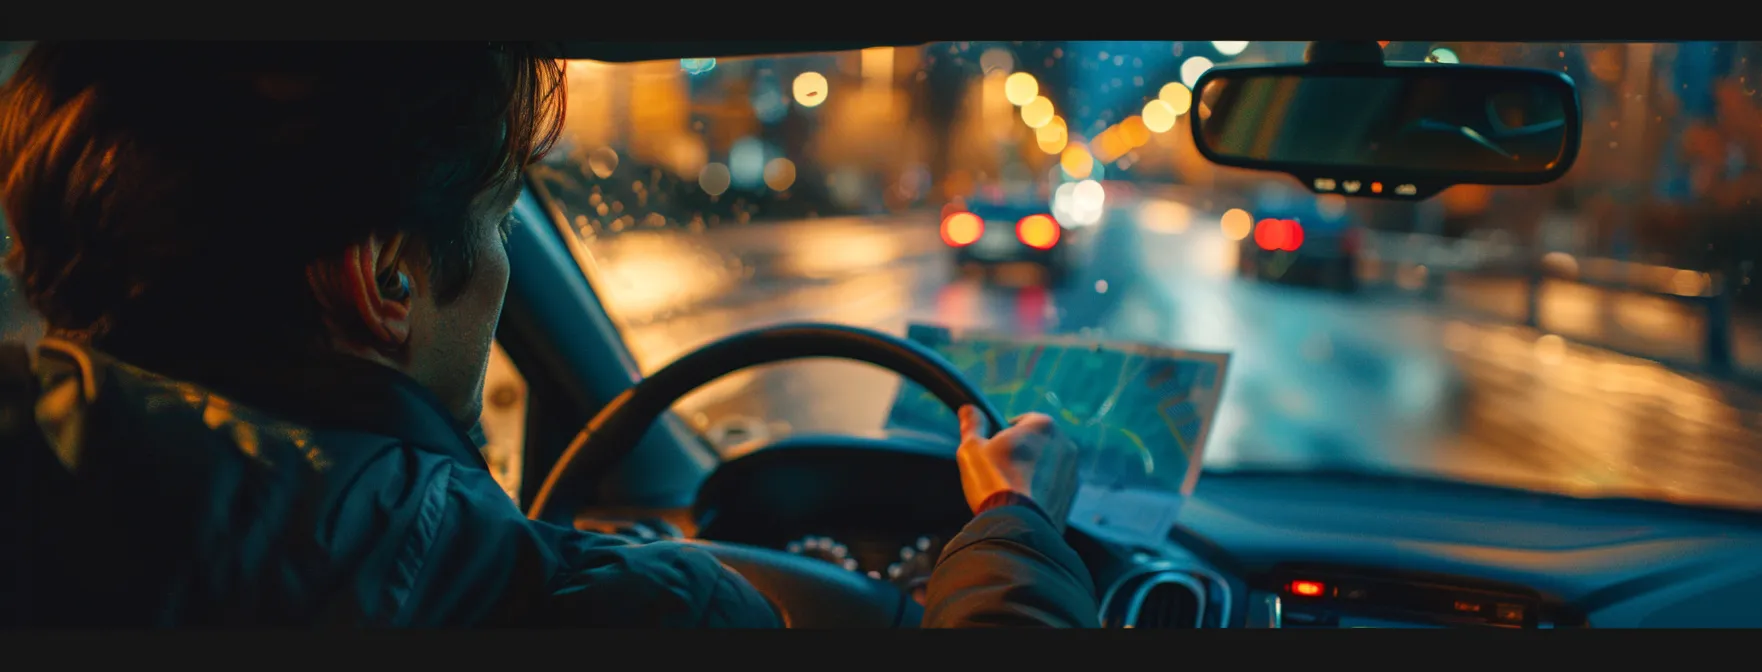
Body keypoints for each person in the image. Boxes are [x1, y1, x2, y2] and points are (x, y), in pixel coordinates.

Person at [0, 42, 1098, 627]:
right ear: (386, 277)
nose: (501, 262)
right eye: (495, 221)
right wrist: (1012, 527)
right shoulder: (579, 613)